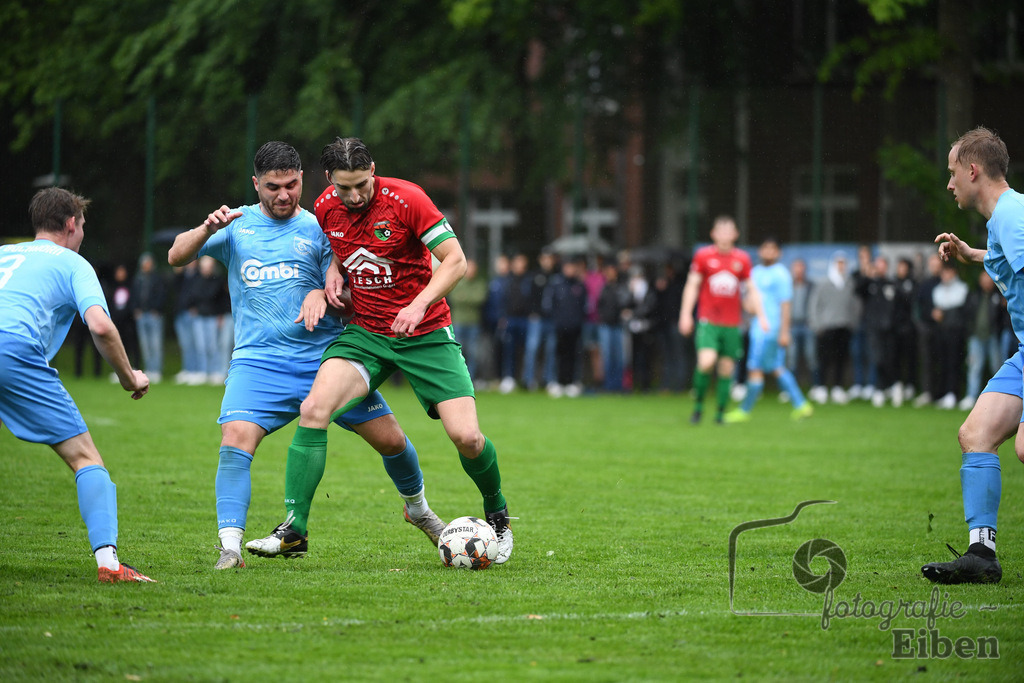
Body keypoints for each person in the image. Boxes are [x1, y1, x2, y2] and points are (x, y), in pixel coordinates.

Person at [167, 141, 444, 569]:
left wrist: (322, 294)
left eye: (291, 185)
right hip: (258, 363)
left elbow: (351, 298)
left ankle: (420, 510)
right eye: (273, 187)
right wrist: (206, 228)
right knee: (235, 440)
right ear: (256, 184)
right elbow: (176, 256)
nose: (283, 195)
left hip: (324, 359)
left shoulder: (321, 227)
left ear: (301, 179)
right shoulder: (236, 225)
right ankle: (230, 547)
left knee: (392, 440)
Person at [248, 137, 513, 564]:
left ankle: (497, 512)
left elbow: (456, 261)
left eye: (362, 185)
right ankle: (294, 530)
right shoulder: (325, 207)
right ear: (329, 179)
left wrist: (418, 304)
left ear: (373, 170)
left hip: (425, 332)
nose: (354, 196)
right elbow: (341, 251)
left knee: (466, 437)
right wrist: (332, 273)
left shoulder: (408, 200)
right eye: (344, 187)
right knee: (314, 409)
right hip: (367, 333)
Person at [0, 187, 154, 583]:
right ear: (71, 224)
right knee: (86, 458)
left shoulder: (5, 253)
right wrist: (129, 377)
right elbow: (100, 326)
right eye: (82, 225)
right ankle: (109, 565)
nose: (82, 233)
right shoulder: (73, 262)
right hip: (11, 350)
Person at [924, 126, 1022, 584]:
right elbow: (1009, 261)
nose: (949, 183)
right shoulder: (1004, 219)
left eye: (952, 172)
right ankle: (982, 554)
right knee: (976, 434)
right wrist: (973, 254)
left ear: (973, 170)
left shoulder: (1012, 216)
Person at [678, 215, 767, 424]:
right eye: (721, 231)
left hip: (732, 323)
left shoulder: (742, 259)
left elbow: (752, 289)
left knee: (726, 368)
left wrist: (762, 316)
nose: (725, 235)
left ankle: (719, 413)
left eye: (729, 231)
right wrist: (685, 314)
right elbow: (692, 285)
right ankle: (698, 407)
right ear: (713, 234)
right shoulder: (703, 256)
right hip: (708, 321)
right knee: (706, 362)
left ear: (735, 234)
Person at [724, 238, 813, 422]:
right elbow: (749, 301)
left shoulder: (781, 274)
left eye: (772, 249)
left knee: (755, 368)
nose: (768, 252)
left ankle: (745, 410)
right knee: (776, 367)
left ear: (778, 253)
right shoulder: (755, 272)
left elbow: (786, 305)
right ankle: (801, 404)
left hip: (769, 328)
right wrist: (746, 304)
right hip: (757, 326)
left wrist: (784, 331)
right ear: (760, 251)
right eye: (765, 248)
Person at [808, 252, 859, 404]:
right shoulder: (823, 283)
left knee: (841, 359)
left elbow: (855, 305)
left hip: (844, 327)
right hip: (826, 327)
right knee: (824, 359)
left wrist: (852, 323)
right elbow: (814, 305)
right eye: (838, 263)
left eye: (843, 263)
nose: (841, 266)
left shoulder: (850, 283)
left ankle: (838, 388)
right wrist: (817, 325)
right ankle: (822, 388)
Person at [962, 271, 1009, 411]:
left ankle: (999, 398)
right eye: (984, 279)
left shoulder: (999, 295)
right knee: (975, 367)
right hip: (976, 336)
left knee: (997, 368)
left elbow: (1003, 318)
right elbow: (967, 314)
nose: (986, 282)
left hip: (993, 336)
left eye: (988, 279)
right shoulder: (973, 295)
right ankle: (971, 396)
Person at [930, 260, 969, 409]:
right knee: (943, 362)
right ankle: (943, 393)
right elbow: (938, 303)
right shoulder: (938, 289)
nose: (944, 275)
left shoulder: (962, 288)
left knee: (954, 363)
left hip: (955, 332)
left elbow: (954, 303)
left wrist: (943, 310)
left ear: (953, 272)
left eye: (946, 272)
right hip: (942, 331)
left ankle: (953, 393)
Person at [448, 258, 487, 382]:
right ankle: (458, 378)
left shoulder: (479, 283)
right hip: (459, 321)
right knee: (457, 352)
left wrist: (464, 297)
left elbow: (480, 299)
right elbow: (454, 298)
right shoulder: (458, 282)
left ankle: (471, 378)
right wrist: (470, 298)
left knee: (473, 353)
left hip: (473, 322)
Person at [132, 252, 166, 383]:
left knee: (155, 344)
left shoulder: (157, 279)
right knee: (145, 344)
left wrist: (156, 309)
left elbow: (161, 295)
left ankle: (156, 370)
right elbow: (134, 296)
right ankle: (149, 369)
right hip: (141, 315)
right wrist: (136, 310)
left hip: (154, 315)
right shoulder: (138, 279)